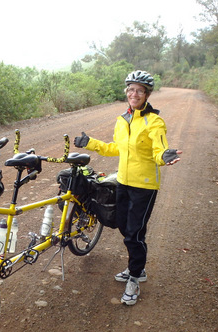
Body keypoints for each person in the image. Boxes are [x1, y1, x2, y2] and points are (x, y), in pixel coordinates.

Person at [74, 70, 182, 306]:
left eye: (140, 90)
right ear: (127, 92)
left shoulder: (154, 121)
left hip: (144, 186)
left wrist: (165, 156)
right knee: (123, 225)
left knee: (135, 233)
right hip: (122, 180)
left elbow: (159, 150)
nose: (134, 94)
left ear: (147, 94)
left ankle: (135, 276)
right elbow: (117, 148)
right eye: (131, 89)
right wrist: (90, 143)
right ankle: (138, 268)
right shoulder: (123, 119)